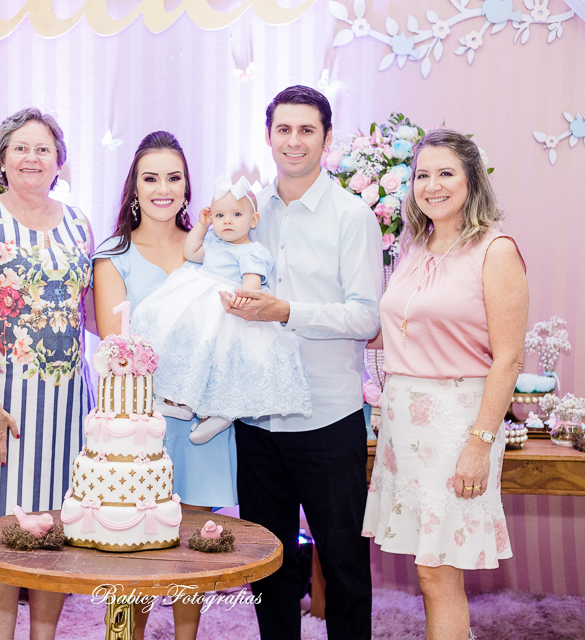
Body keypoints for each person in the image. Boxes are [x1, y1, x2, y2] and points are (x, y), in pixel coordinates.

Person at [220, 86, 382, 640]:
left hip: (327, 415)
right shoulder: (247, 211)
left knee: (343, 566)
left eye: (306, 130)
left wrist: (286, 311)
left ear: (327, 138)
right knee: (270, 567)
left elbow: (366, 318)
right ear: (268, 136)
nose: (294, 141)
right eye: (283, 130)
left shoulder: (352, 216)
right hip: (258, 415)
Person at [362, 129, 528, 640]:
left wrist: (478, 443)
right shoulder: (414, 245)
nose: (432, 185)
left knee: (437, 572)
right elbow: (391, 330)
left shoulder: (494, 249)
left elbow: (509, 358)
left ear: (472, 179)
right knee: (429, 569)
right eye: (422, 175)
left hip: (458, 424)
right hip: (404, 425)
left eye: (446, 173)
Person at [0, 107, 92, 640]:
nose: (32, 157)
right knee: (2, 529)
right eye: (21, 148)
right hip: (0, 405)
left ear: (59, 161)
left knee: (56, 525)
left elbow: (90, 313)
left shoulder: (80, 223)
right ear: (3, 158)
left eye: (43, 149)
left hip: (68, 406)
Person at [93, 131, 237, 640]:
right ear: (134, 186)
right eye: (150, 178)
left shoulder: (213, 246)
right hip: (141, 423)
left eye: (173, 178)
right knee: (131, 543)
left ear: (187, 186)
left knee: (192, 547)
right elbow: (118, 346)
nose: (162, 188)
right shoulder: (112, 255)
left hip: (203, 421)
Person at [131, 174, 311, 444]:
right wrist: (202, 228)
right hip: (204, 299)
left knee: (224, 360)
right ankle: (181, 401)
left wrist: (241, 300)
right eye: (219, 215)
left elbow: (251, 283)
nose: (227, 221)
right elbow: (192, 253)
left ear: (253, 221)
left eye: (236, 214)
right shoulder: (214, 244)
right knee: (186, 341)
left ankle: (221, 412)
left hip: (232, 305)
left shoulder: (253, 251)